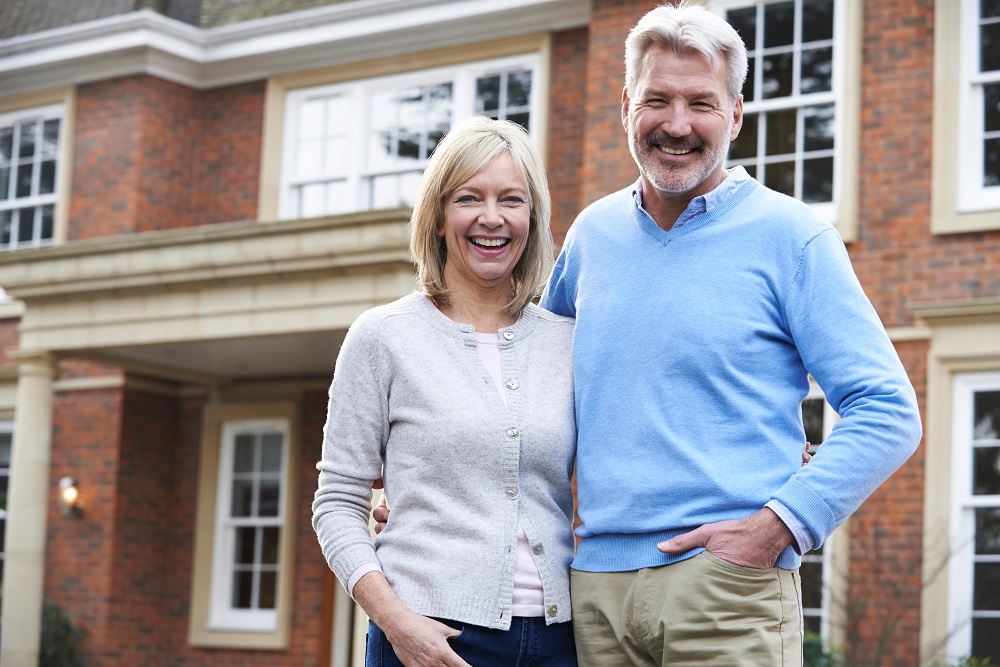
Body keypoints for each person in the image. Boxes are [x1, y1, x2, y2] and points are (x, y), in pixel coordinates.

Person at [538, 3, 923, 666]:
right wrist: (419, 486)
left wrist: (777, 525)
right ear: (627, 105)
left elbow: (887, 409)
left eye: (701, 103)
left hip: (728, 586)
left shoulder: (793, 238)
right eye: (657, 99)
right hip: (594, 589)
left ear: (736, 115)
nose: (677, 124)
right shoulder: (588, 239)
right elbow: (529, 396)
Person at [312, 116, 578, 667]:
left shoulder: (566, 342)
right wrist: (396, 621)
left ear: (532, 216)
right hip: (430, 636)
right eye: (469, 198)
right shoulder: (383, 337)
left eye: (511, 199)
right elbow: (337, 503)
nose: (491, 218)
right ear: (437, 216)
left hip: (560, 639)